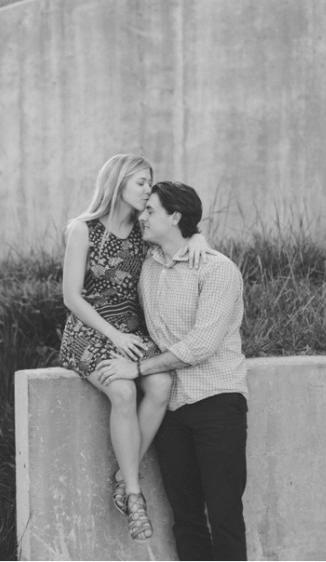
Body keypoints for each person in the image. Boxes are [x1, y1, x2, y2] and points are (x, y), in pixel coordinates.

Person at [59, 155, 210, 541]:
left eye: (150, 182)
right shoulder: (83, 229)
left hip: (132, 332)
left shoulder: (143, 232)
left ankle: (120, 475)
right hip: (91, 331)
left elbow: (176, 232)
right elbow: (71, 297)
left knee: (161, 386)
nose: (148, 189)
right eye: (142, 182)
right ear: (119, 181)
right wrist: (115, 336)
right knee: (123, 391)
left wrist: (197, 237)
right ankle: (132, 492)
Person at [97, 180, 249, 560]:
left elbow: (200, 346)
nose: (142, 217)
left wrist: (138, 368)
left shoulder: (217, 269)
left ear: (175, 217)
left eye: (150, 211)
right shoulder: (148, 266)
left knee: (225, 516)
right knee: (186, 518)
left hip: (216, 403)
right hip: (172, 410)